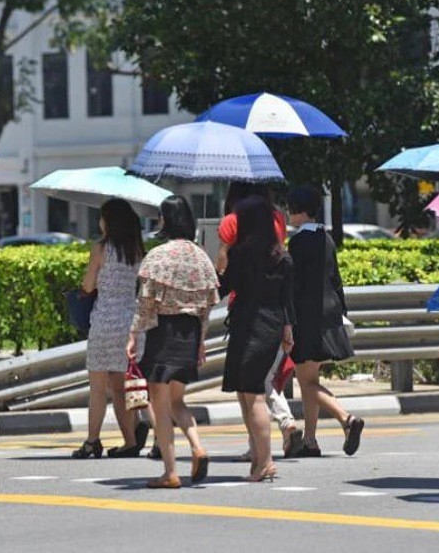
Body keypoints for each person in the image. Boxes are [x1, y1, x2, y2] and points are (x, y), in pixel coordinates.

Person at [126, 196, 218, 489]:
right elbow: (207, 304)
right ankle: (197, 446)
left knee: (161, 405)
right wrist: (201, 341)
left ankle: (170, 471)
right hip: (191, 333)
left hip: (162, 333)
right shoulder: (200, 256)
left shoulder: (158, 256)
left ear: (165, 220)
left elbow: (146, 302)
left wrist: (132, 335)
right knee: (178, 401)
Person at [216, 182, 304, 460]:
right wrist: (288, 329)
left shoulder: (239, 256)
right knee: (254, 389)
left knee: (250, 392)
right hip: (274, 325)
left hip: (246, 324)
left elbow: (222, 287)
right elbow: (286, 299)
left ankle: (262, 459)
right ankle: (260, 454)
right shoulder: (283, 258)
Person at [286, 186, 363, 457]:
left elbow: (292, 285)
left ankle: (346, 419)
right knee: (311, 379)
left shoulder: (297, 243)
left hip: (306, 317)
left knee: (307, 382)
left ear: (302, 211)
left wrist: (286, 319)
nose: (288, 212)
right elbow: (336, 279)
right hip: (328, 313)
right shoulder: (326, 238)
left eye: (291, 207)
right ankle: (310, 441)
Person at [73, 199, 149, 459]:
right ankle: (129, 441)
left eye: (102, 217)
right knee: (121, 387)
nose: (99, 222)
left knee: (97, 388)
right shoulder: (137, 249)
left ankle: (92, 441)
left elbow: (88, 285)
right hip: (129, 322)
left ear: (109, 221)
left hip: (105, 321)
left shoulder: (101, 249)